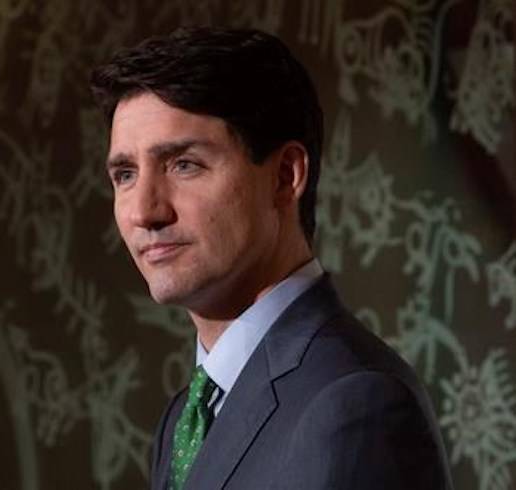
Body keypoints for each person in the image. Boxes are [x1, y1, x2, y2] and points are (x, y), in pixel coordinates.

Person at [90, 27, 454, 490]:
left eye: (184, 164)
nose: (144, 211)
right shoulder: (183, 418)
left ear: (286, 176)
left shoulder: (356, 404)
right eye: (125, 174)